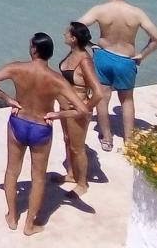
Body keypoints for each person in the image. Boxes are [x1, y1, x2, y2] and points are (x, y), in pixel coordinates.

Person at [0, 34, 91, 236]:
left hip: (18, 123)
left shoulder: (17, 68)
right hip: (41, 127)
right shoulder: (56, 79)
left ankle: (12, 216)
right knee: (38, 177)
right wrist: (57, 115)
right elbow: (82, 110)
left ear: (34, 50)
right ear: (49, 54)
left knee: (12, 171)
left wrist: (8, 99)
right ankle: (30, 226)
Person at [77, 0, 157, 150]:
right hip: (126, 60)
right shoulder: (137, 13)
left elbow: (76, 28)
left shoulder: (100, 10)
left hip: (104, 57)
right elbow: (156, 38)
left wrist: (91, 45)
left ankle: (107, 138)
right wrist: (142, 55)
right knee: (127, 101)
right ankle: (129, 140)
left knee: (102, 98)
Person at [58, 22, 105, 196]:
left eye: (67, 32)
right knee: (67, 140)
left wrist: (85, 109)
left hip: (77, 109)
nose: (64, 33)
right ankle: (71, 174)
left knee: (78, 148)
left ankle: (83, 184)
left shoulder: (85, 61)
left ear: (73, 38)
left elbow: (98, 92)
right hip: (65, 107)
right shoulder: (72, 53)